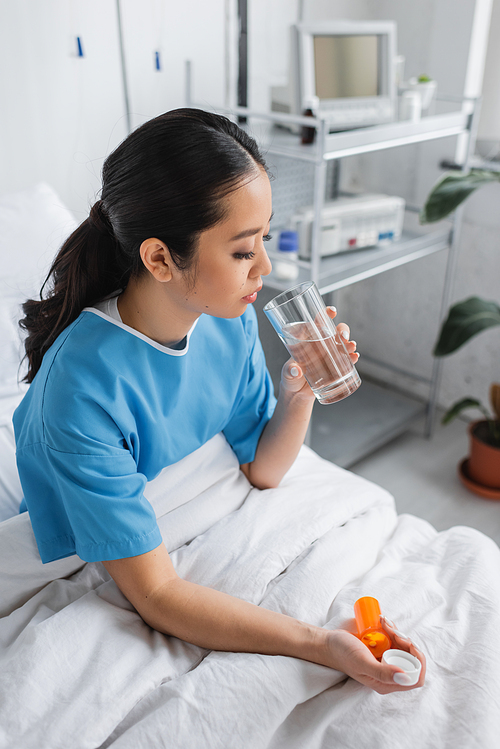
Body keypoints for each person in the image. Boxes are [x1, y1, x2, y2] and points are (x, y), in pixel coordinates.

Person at [13, 108, 425, 693]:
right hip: (121, 546)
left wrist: (298, 392)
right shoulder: (79, 391)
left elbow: (262, 469)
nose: (265, 265)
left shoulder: (226, 318)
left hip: (206, 509)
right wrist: (320, 644)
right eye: (241, 251)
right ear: (159, 258)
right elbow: (156, 593)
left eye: (262, 237)